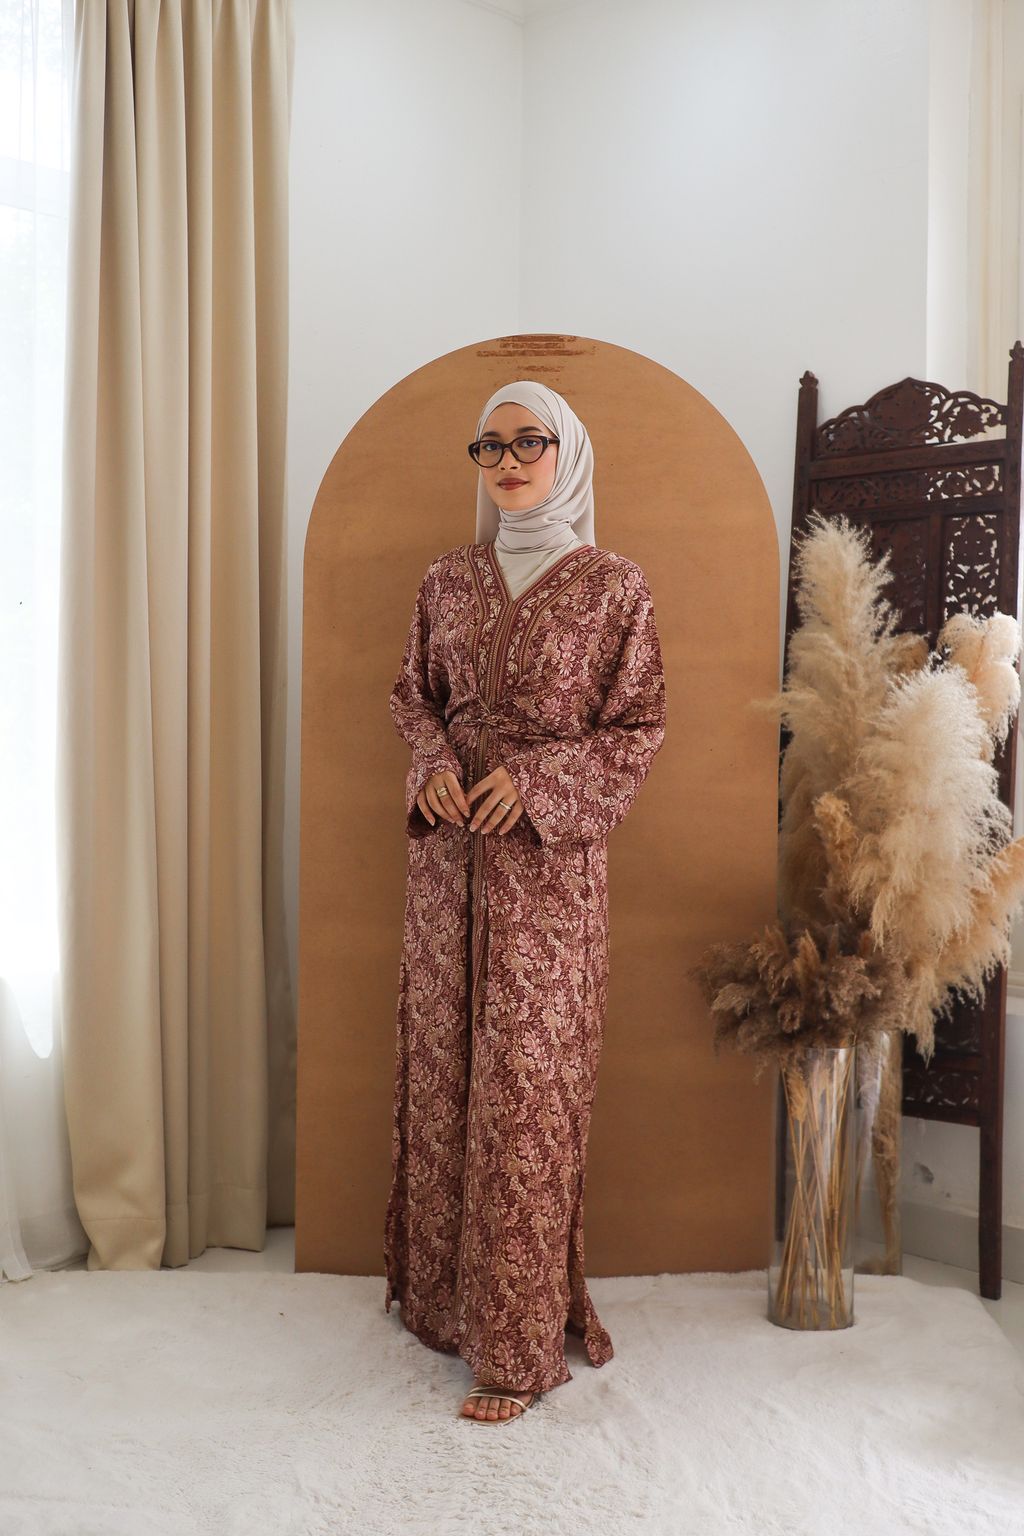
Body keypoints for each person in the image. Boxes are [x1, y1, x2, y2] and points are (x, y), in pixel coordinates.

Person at [384, 379, 667, 1424]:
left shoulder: (614, 587)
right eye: (488, 445)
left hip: (549, 879)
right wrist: (432, 767)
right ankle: (440, 1308)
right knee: (441, 1071)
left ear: (568, 452)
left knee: (525, 1090)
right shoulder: (446, 579)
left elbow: (638, 725)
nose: (506, 462)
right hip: (446, 868)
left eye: (528, 442)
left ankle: (513, 1347)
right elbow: (413, 696)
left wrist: (540, 784)